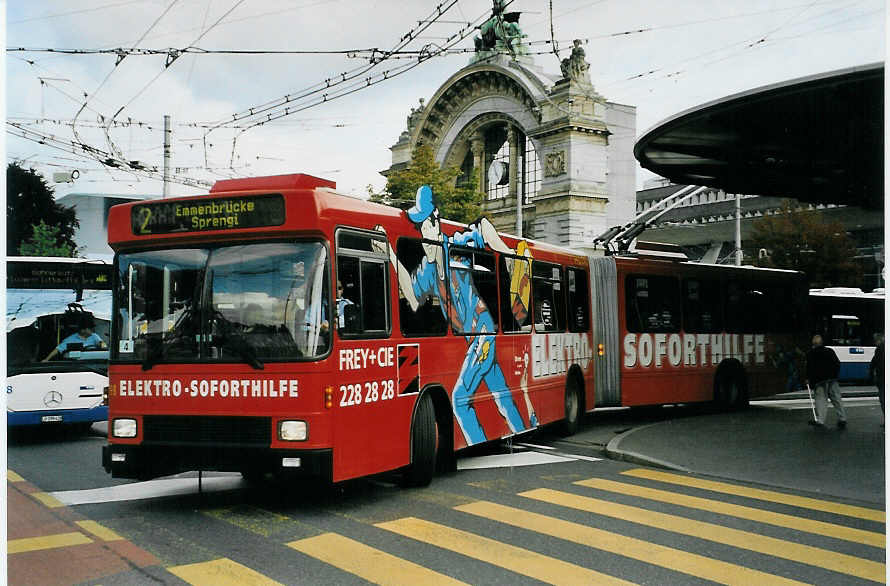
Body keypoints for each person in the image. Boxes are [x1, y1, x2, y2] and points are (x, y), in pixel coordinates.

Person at [805, 334, 846, 428]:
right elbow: (837, 364)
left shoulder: (811, 353)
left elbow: (809, 368)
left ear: (813, 344)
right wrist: (835, 375)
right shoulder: (830, 351)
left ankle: (821, 421)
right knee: (836, 399)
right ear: (822, 343)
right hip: (832, 379)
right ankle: (842, 418)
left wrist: (808, 379)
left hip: (819, 381)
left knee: (821, 401)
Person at [870, 332, 884, 414]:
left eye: (875, 341)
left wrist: (871, 376)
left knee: (883, 400)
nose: (875, 343)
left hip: (882, 379)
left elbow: (873, 363)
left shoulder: (879, 349)